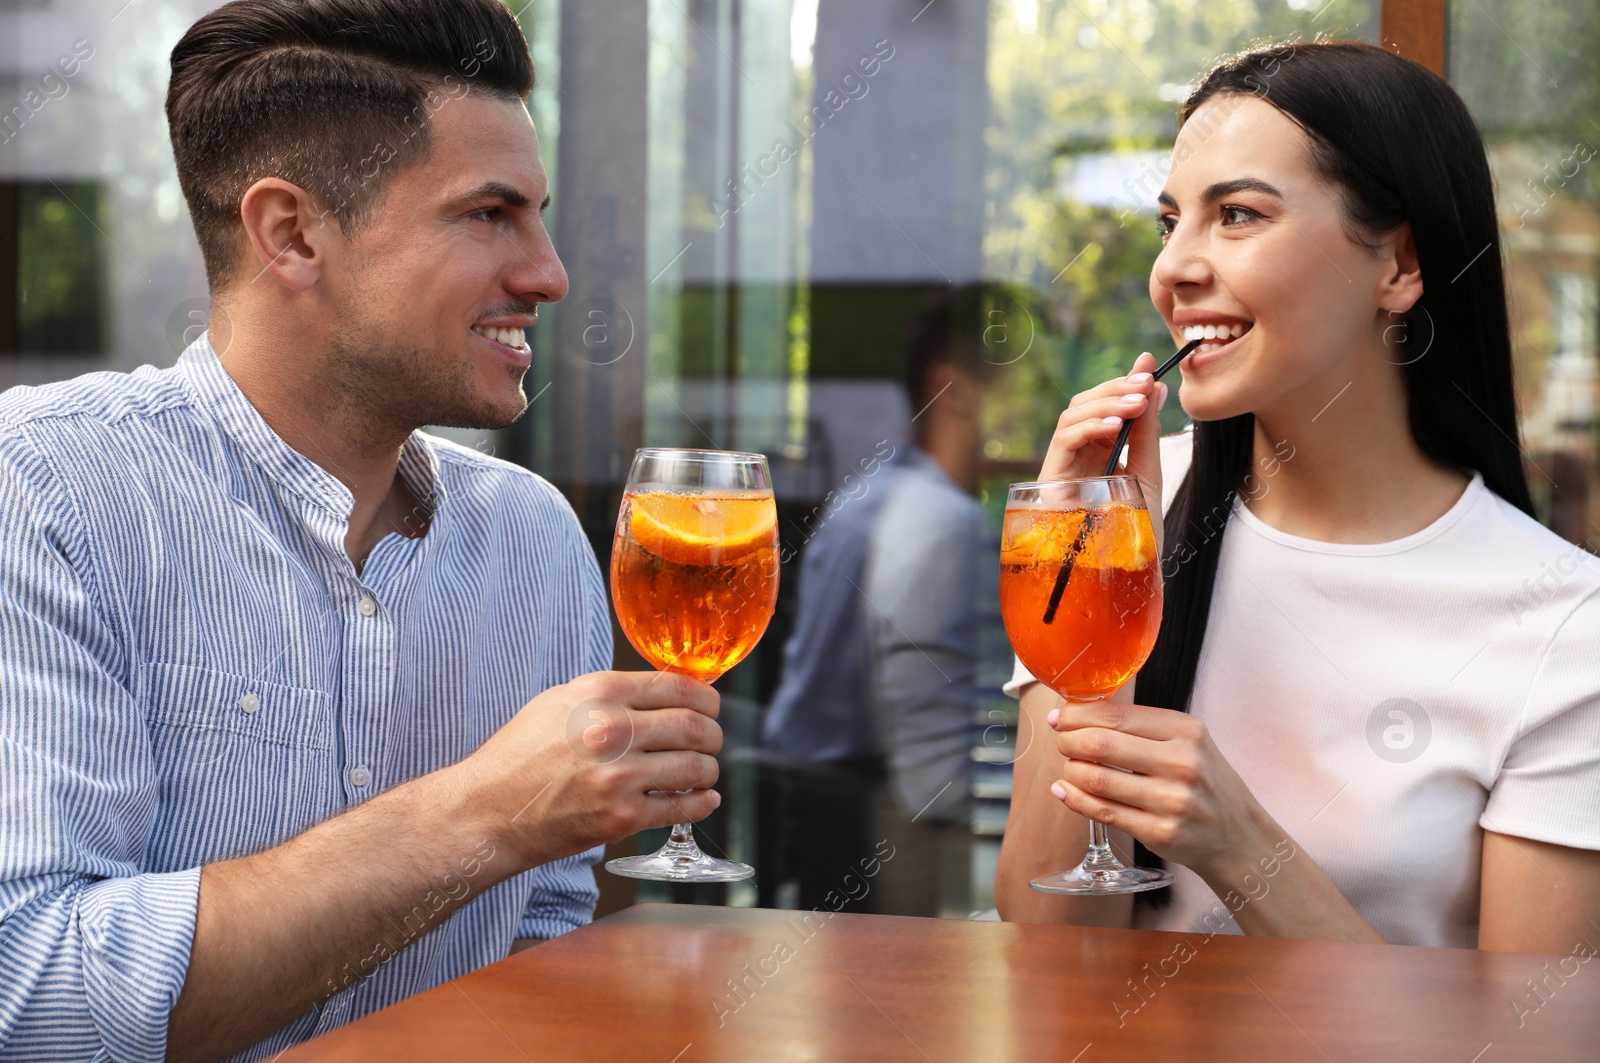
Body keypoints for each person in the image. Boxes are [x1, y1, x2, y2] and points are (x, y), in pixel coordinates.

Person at [0, 3, 725, 1060]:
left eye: (539, 214)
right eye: (489, 215)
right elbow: (32, 994)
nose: (549, 274)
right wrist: (487, 811)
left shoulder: (533, 538)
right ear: (291, 232)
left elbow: (543, 941)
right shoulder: (44, 489)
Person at [995, 42, 1600, 954]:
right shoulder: (1123, 523)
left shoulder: (1564, 627)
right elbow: (1046, 937)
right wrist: (1105, 571)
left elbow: (1514, 1041)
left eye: (1236, 215)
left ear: (1398, 264)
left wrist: (1242, 847)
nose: (1176, 269)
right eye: (1170, 223)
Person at [760, 288, 999, 916]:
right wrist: (963, 836)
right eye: (1023, 386)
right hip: (877, 817)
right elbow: (922, 698)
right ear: (957, 390)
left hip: (817, 796)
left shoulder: (869, 492)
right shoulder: (940, 517)